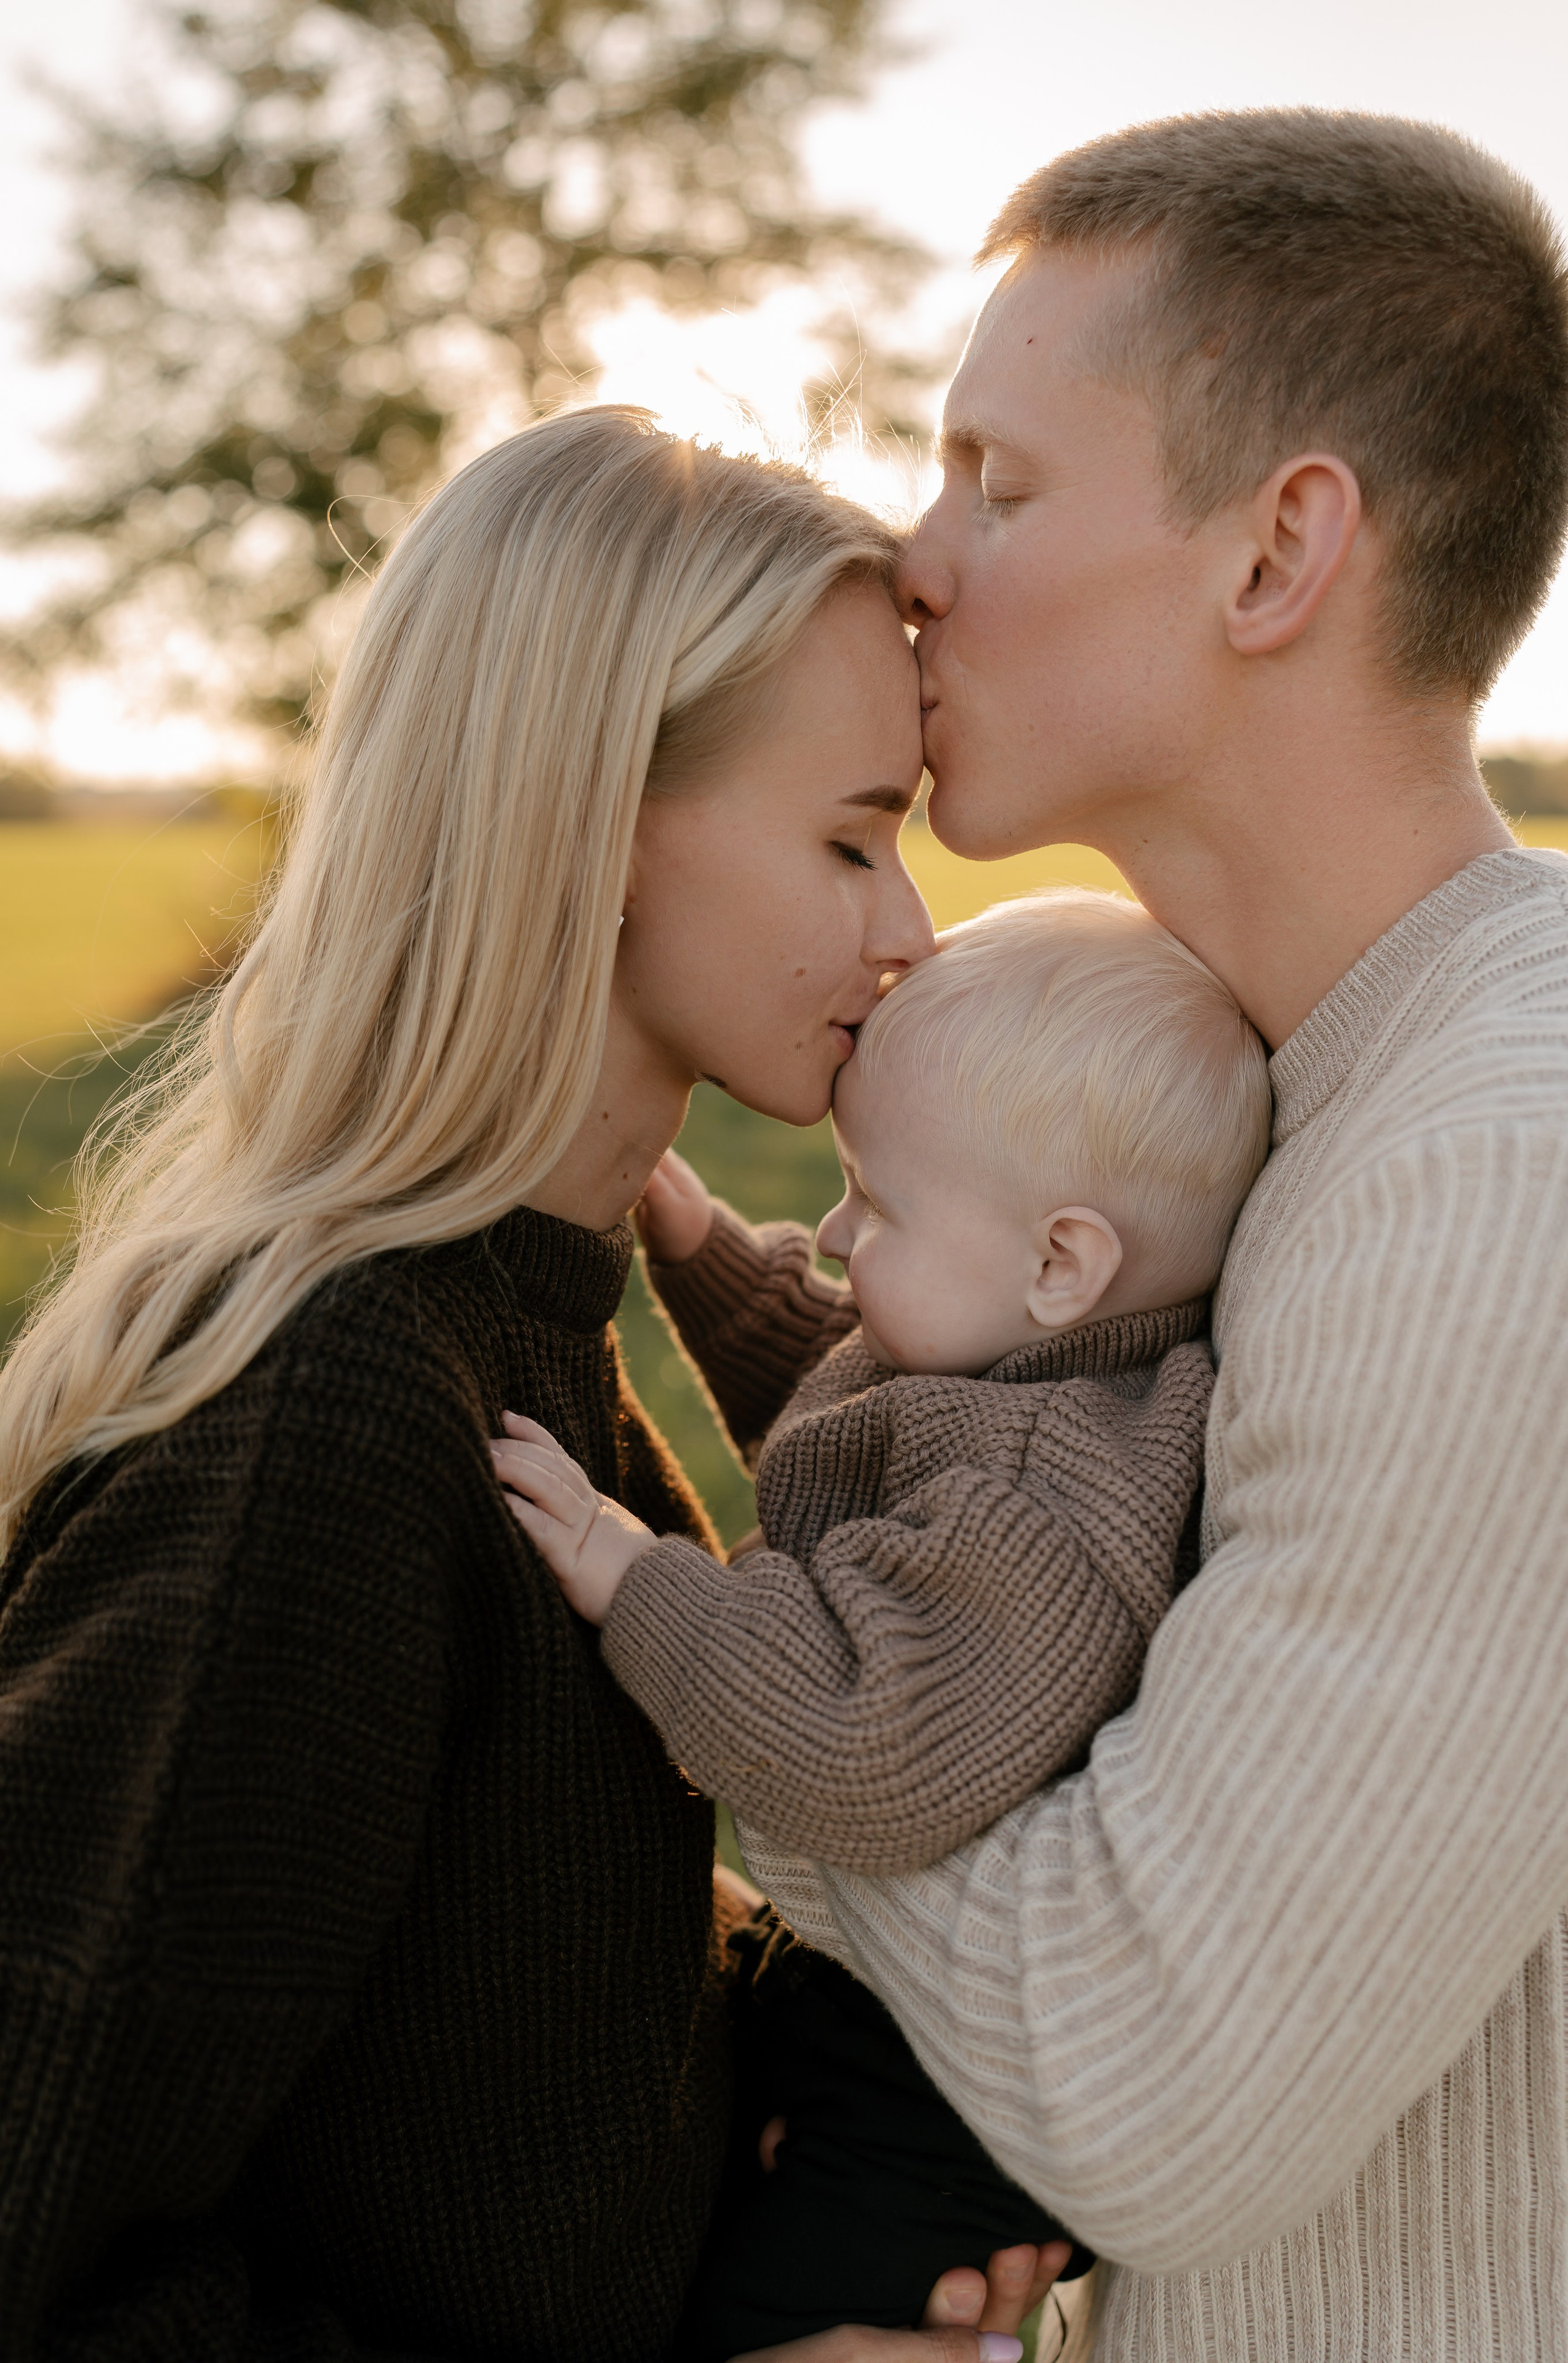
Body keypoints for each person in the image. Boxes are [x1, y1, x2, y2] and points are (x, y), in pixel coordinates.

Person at [0, 406, 1053, 2362]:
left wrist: (836, 2149)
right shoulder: (323, 1422)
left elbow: (474, 2046)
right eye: (849, 838)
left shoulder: (539, 1339)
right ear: (598, 820)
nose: (910, 930)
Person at [679, 111, 1568, 2363]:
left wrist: (735, 1682)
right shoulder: (1305, 1098)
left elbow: (1135, 2086)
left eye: (996, 482)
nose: (916, 558)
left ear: (1278, 553)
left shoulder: (1498, 1175)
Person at [490, 887, 1270, 2357]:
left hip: (935, 2104)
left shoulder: (1045, 1509)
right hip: (874, 2016)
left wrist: (634, 1575)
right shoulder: (1030, 1371)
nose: (837, 1229)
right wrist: (700, 1247)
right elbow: (847, 1413)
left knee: (772, 2321)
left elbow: (861, 1732)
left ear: (1060, 1264)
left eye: (876, 1205)